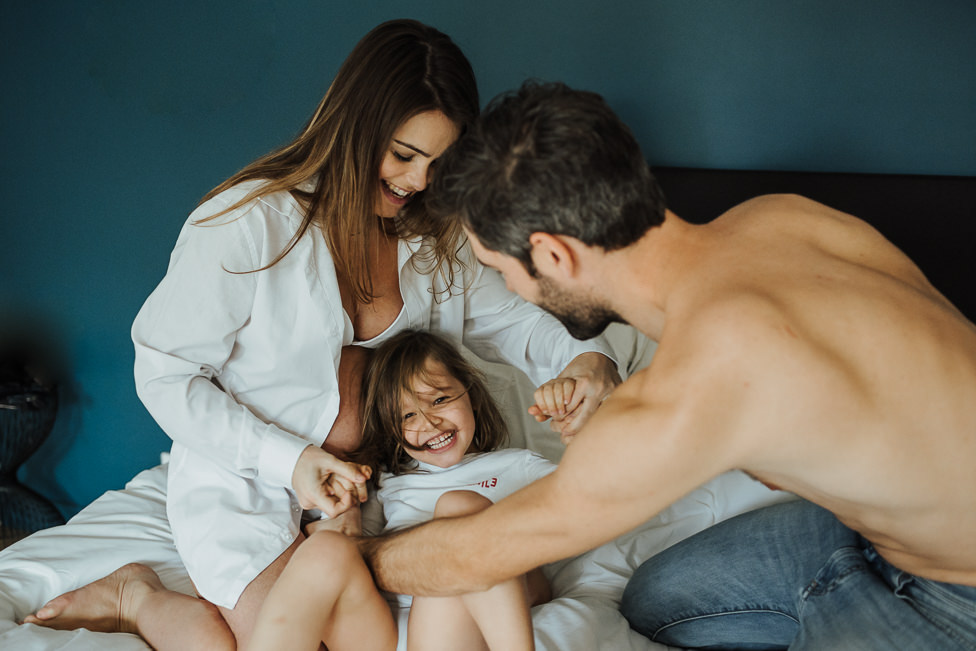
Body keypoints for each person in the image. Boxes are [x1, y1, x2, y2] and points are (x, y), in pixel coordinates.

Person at [23, 31, 622, 650]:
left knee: (467, 596)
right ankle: (137, 594)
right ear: (356, 130)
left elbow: (521, 321)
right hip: (254, 486)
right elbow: (165, 376)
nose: (419, 181)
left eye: (441, 165)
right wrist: (290, 460)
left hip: (387, 493)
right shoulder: (246, 225)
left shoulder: (435, 239)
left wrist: (588, 359)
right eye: (404, 154)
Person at [358, 81, 976, 649]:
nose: (509, 290)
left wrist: (359, 555)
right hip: (873, 531)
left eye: (499, 269)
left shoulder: (694, 383)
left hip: (957, 592)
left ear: (550, 253)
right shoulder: (783, 216)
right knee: (657, 598)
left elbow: (480, 555)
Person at [249, 329, 558, 650]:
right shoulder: (386, 484)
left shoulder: (520, 467)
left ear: (472, 396)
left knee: (460, 507)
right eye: (407, 415)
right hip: (383, 635)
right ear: (391, 432)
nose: (429, 422)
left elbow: (584, 506)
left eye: (439, 399)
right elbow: (352, 563)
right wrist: (345, 518)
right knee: (325, 548)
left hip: (446, 628)